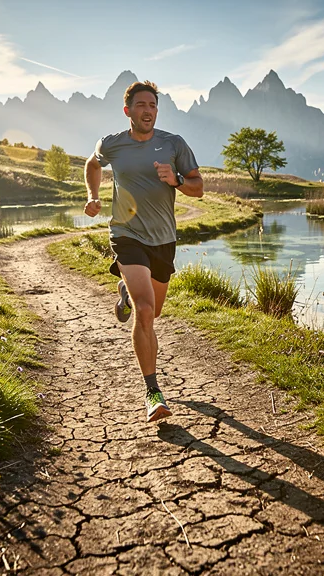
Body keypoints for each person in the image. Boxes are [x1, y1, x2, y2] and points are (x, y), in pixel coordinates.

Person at [83, 81, 204, 422]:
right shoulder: (112, 144)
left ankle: (124, 291)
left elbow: (198, 188)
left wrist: (177, 180)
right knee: (146, 311)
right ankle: (153, 392)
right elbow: (93, 165)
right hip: (126, 233)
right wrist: (93, 196)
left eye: (152, 105)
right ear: (128, 111)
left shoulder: (173, 144)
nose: (148, 110)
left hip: (163, 239)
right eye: (141, 105)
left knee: (155, 311)